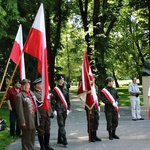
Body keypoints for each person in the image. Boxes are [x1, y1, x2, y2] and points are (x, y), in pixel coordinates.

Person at [15, 79, 40, 150]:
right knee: (26, 138)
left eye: (28, 85)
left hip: (34, 118)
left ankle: (31, 148)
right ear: (21, 86)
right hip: (27, 120)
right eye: (24, 85)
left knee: (32, 137)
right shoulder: (19, 96)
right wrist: (22, 121)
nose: (26, 86)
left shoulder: (31, 93)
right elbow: (19, 110)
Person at [32, 78, 54, 150]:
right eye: (41, 84)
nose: (42, 85)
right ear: (36, 85)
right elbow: (38, 103)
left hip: (47, 113)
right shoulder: (34, 94)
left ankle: (47, 144)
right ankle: (42, 146)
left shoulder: (44, 92)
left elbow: (48, 103)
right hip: (40, 115)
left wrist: (51, 112)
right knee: (41, 130)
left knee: (47, 129)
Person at [51, 75, 70, 146]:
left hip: (64, 108)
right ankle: (64, 138)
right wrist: (53, 110)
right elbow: (52, 101)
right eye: (60, 79)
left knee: (63, 124)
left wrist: (68, 108)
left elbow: (68, 100)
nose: (62, 80)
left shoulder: (65, 89)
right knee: (61, 124)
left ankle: (59, 139)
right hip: (58, 108)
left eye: (62, 79)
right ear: (58, 80)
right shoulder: (55, 90)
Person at [85, 75, 101, 142]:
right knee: (90, 121)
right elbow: (85, 96)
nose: (93, 79)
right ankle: (91, 136)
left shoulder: (96, 87)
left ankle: (95, 134)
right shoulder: (87, 87)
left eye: (94, 78)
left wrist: (98, 104)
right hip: (89, 106)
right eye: (92, 78)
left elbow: (97, 97)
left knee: (96, 120)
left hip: (95, 106)